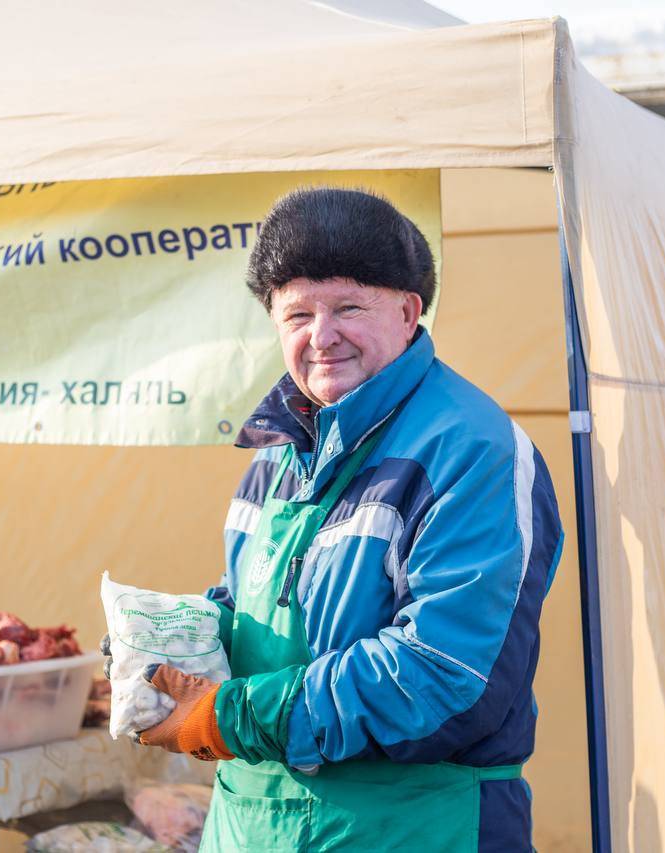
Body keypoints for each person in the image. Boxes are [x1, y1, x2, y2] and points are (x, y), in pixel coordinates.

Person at [133, 187, 563, 850]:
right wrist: (173, 642)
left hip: (411, 828)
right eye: (297, 312)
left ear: (408, 310)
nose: (322, 335)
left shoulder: (471, 449)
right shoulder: (277, 454)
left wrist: (229, 715)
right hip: (251, 826)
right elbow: (257, 608)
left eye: (348, 307)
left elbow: (441, 676)